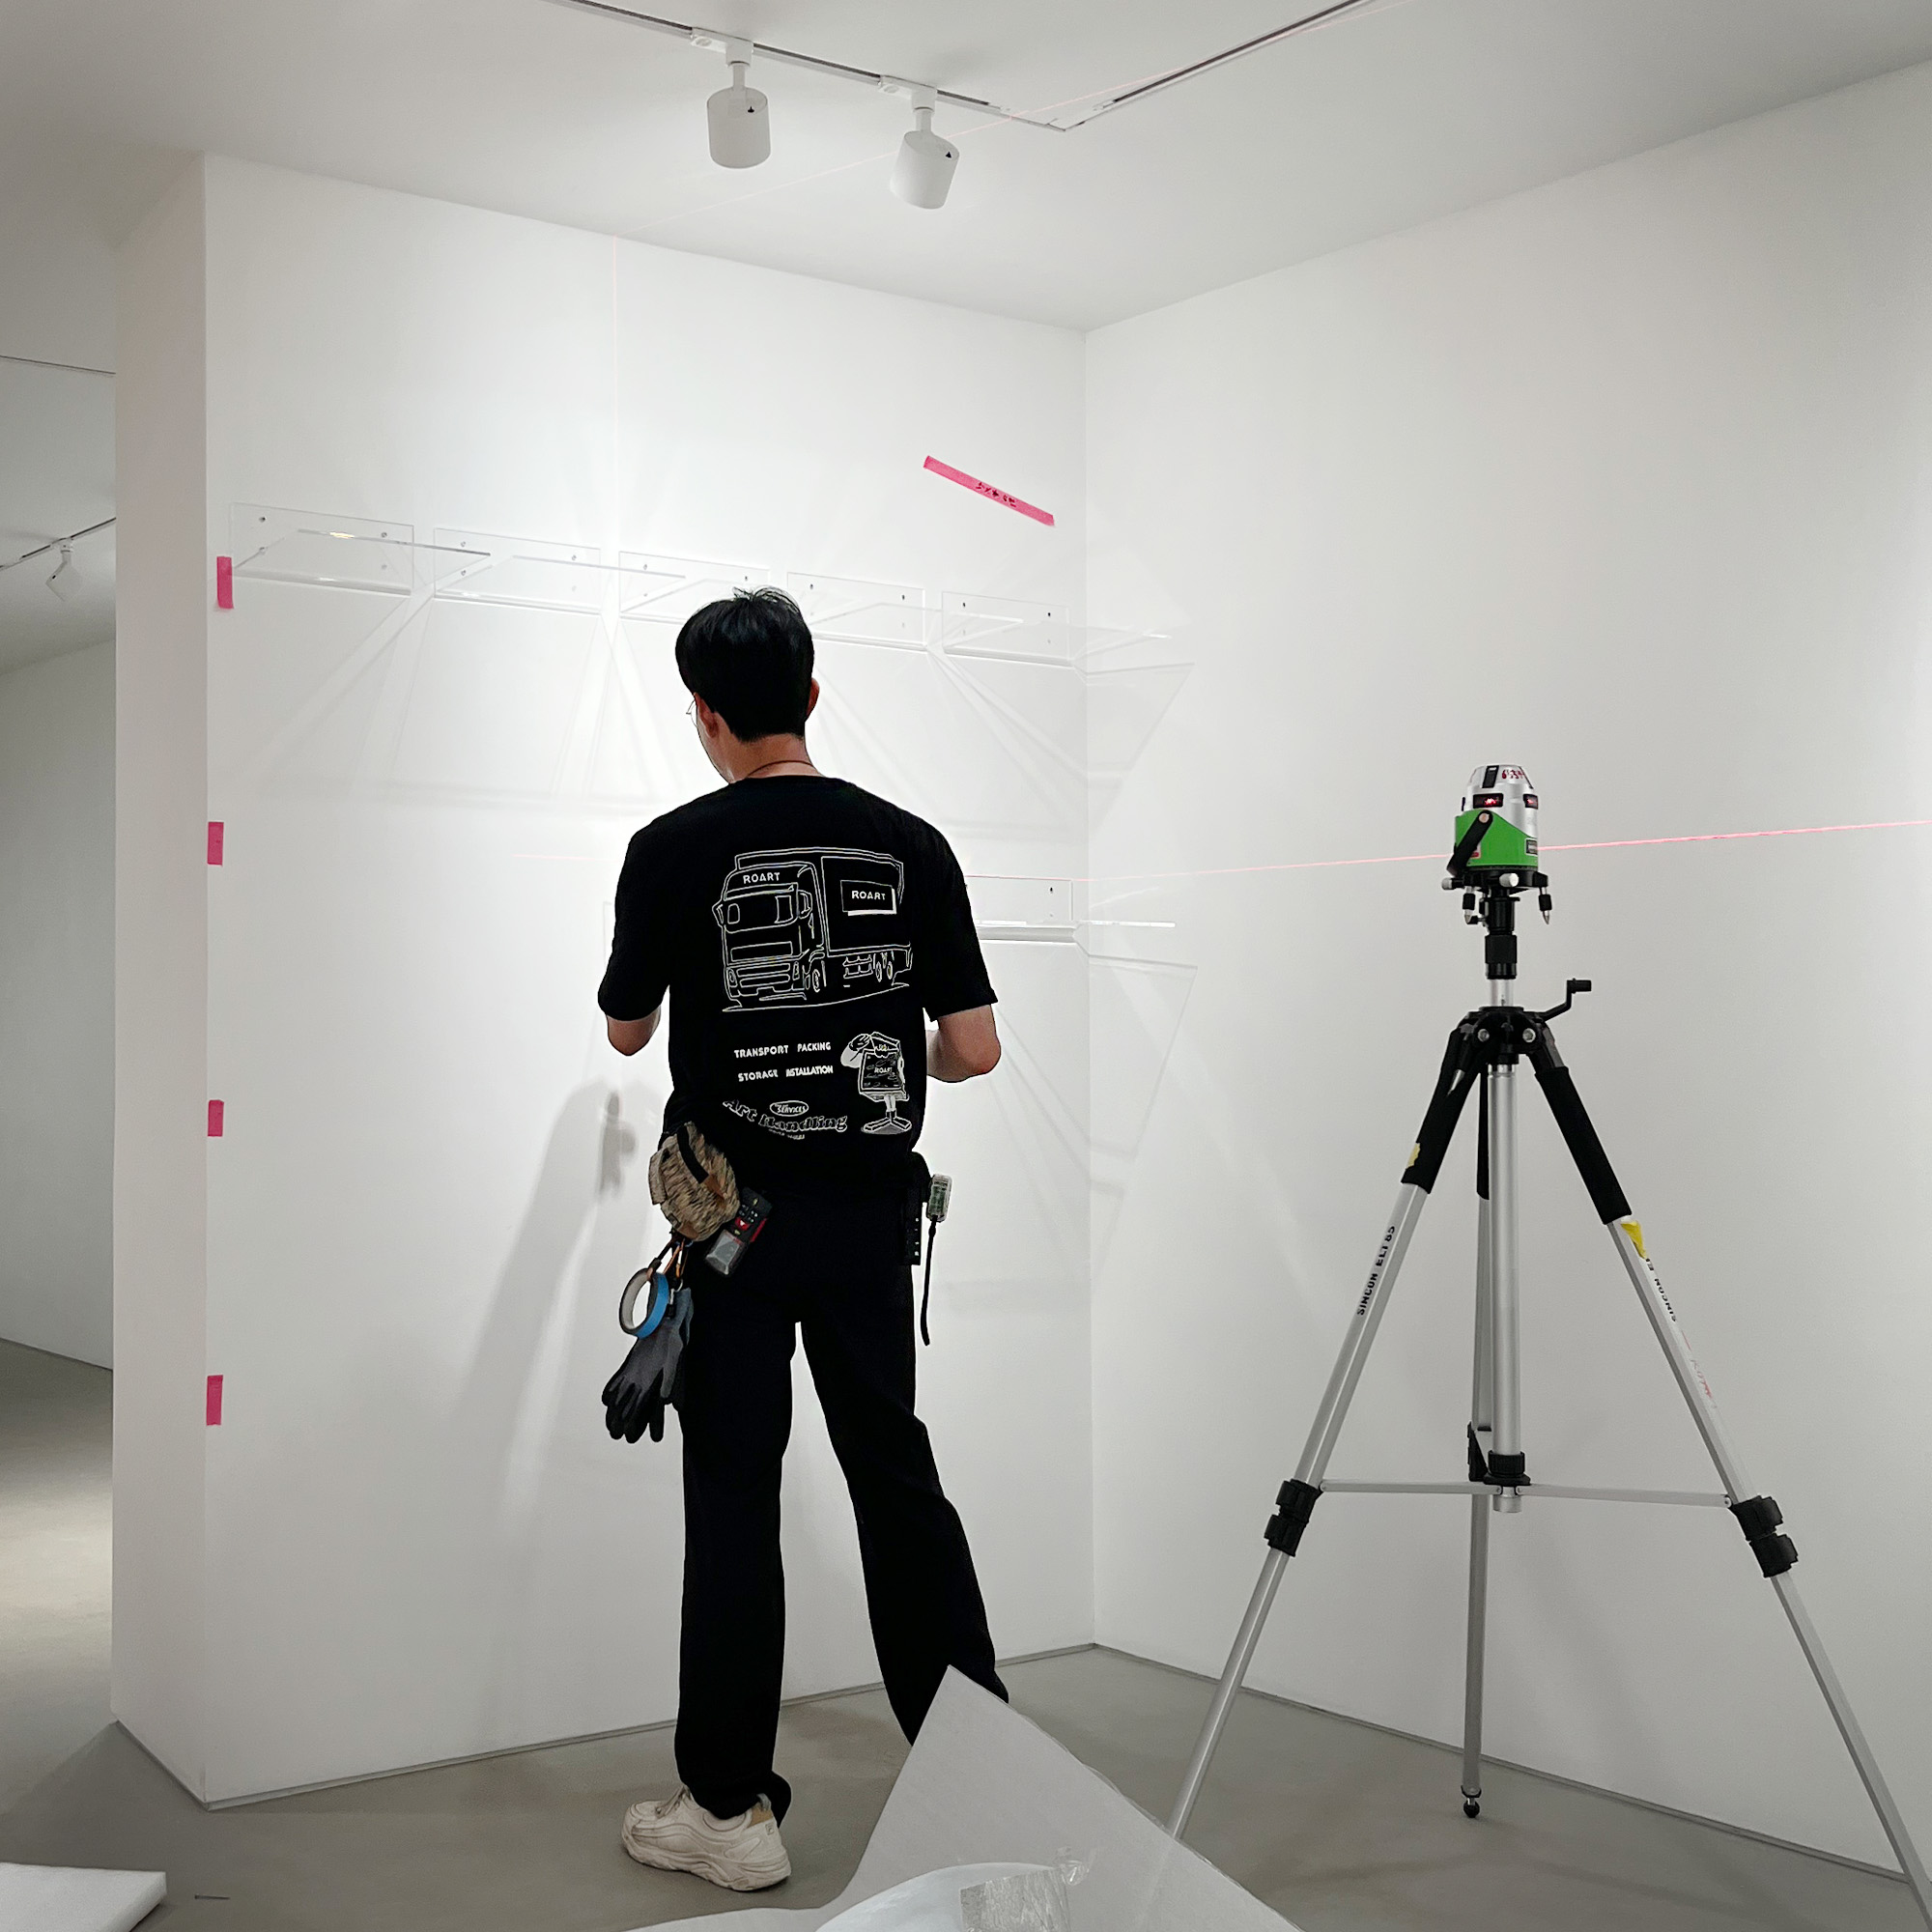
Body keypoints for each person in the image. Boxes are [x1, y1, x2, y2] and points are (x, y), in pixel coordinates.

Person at [597, 587, 1008, 1893]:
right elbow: (976, 1047)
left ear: (705, 716)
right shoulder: (913, 845)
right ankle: (983, 1779)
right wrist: (885, 1042)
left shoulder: (672, 847)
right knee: (896, 1478)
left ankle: (729, 1811)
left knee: (735, 1493)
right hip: (869, 1226)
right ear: (813, 696)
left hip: (735, 1232)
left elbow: (625, 1031)